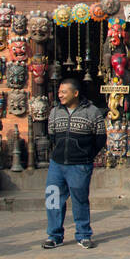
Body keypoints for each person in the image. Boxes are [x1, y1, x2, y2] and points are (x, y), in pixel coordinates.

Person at [42, 77, 106, 249]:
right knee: (53, 199)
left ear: (75, 93)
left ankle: (83, 234)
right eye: (59, 92)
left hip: (80, 165)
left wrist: (87, 156)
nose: (60, 95)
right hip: (57, 164)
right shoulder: (55, 112)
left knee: (80, 200)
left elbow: (100, 138)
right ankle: (54, 235)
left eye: (64, 92)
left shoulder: (92, 112)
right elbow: (52, 136)